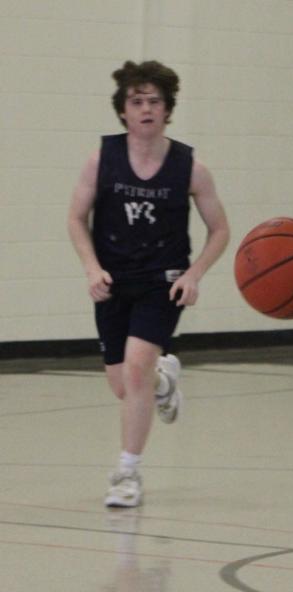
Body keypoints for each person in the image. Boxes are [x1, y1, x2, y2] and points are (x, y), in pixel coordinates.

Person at [67, 60, 229, 508]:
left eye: (154, 101)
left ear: (167, 110)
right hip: (113, 280)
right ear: (123, 111)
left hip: (163, 281)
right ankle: (163, 379)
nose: (145, 109)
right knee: (123, 385)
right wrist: (90, 268)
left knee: (135, 369)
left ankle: (127, 472)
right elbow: (75, 218)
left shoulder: (190, 167)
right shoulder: (103, 160)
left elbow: (220, 229)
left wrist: (194, 275)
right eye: (136, 101)